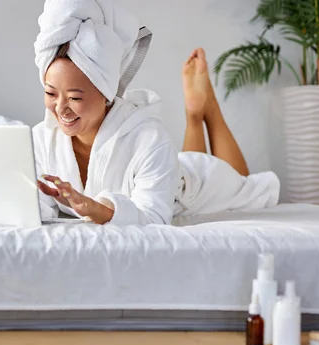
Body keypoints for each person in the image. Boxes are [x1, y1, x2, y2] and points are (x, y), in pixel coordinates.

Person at [32, 0, 279, 226]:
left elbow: (154, 217)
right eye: (51, 93)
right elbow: (32, 208)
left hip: (196, 187)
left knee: (247, 186)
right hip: (169, 166)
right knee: (178, 160)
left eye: (75, 97)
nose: (60, 108)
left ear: (107, 93)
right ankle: (196, 114)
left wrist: (96, 209)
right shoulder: (42, 141)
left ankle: (206, 110)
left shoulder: (148, 137)